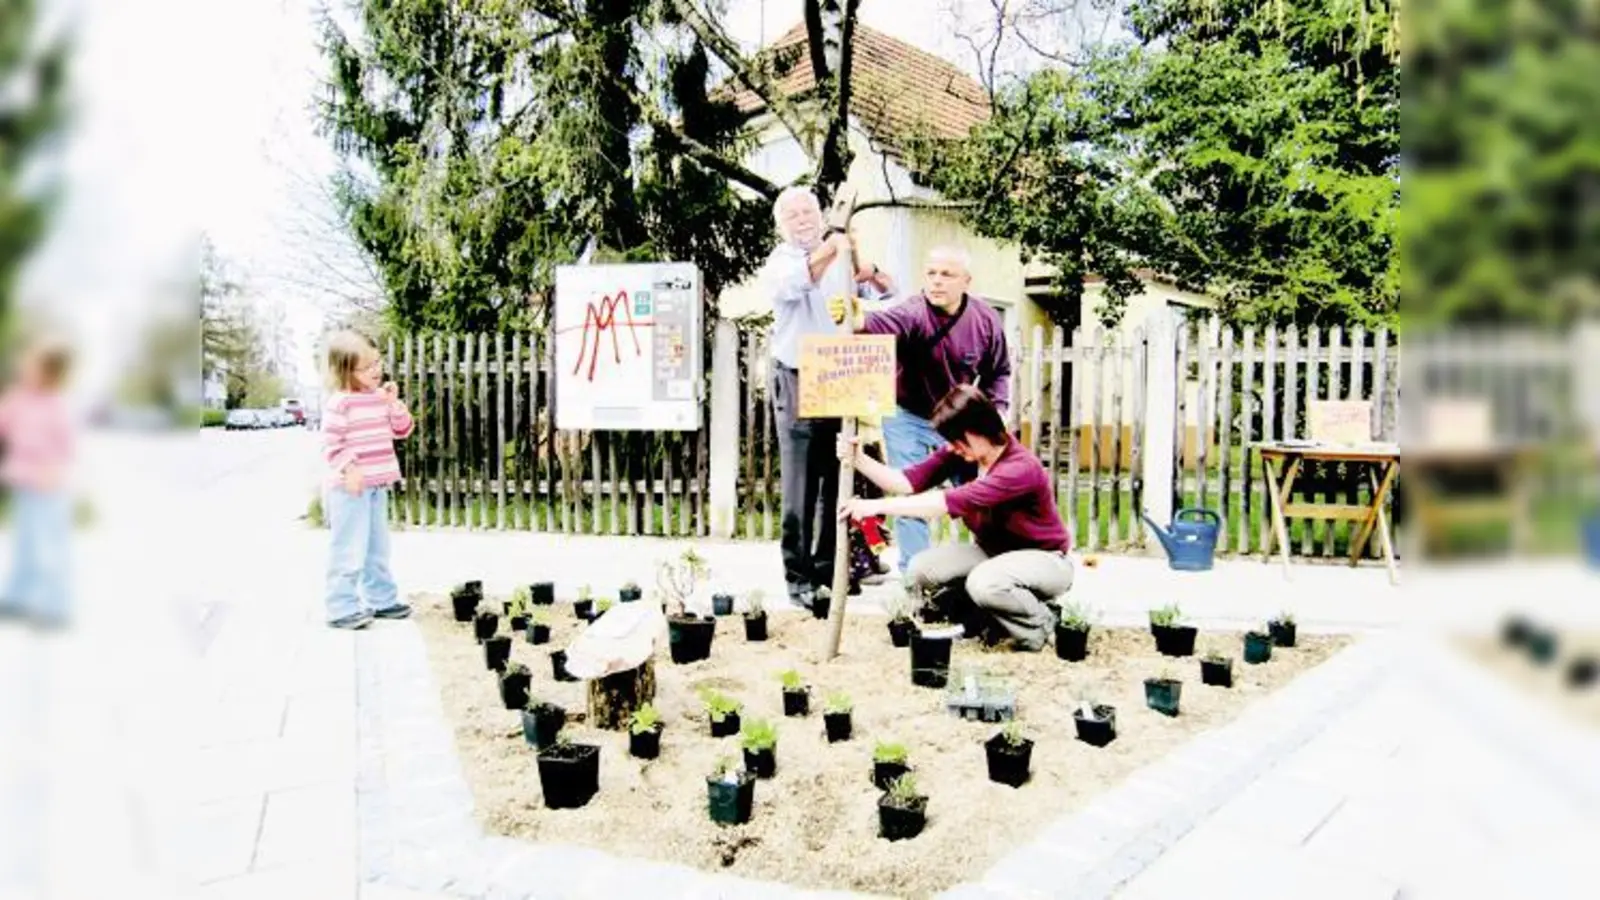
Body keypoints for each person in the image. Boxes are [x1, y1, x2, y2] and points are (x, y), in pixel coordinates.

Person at [837, 384, 1071, 651]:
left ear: (977, 429)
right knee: (920, 569)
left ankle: (1043, 624)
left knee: (984, 583)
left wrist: (875, 506)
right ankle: (987, 620)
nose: (952, 447)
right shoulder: (964, 454)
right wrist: (858, 459)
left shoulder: (1019, 469)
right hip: (993, 553)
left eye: (957, 438)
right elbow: (907, 481)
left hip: (1046, 560)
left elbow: (944, 503)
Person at [830, 245, 1012, 577]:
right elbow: (882, 322)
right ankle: (917, 581)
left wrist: (997, 410)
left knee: (984, 496)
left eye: (947, 274)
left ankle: (998, 569)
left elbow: (999, 371)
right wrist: (856, 318)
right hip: (909, 416)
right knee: (908, 493)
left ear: (966, 281)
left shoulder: (985, 319)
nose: (937, 281)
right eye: (931, 273)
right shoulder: (913, 311)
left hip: (961, 420)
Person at [761, 185, 895, 610]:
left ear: (821, 216)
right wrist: (833, 247)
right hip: (798, 374)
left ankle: (826, 570)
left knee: (835, 478)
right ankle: (797, 578)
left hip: (839, 372)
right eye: (793, 215)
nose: (803, 220)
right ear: (780, 226)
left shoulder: (839, 258)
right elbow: (799, 280)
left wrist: (860, 261)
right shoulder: (780, 263)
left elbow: (885, 295)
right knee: (800, 482)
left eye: (808, 212)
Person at [322, 331, 417, 629]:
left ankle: (381, 600)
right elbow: (331, 444)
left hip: (378, 486)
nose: (376, 370)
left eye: (377, 362)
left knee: (378, 547)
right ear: (345, 371)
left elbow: (403, 430)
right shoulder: (340, 404)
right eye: (366, 367)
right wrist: (349, 468)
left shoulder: (379, 398)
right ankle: (341, 607)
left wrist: (393, 403)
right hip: (350, 489)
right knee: (349, 548)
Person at [0, 336, 76, 630]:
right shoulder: (17, 399)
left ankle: (55, 606)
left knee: (48, 547)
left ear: (49, 373)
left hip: (49, 485)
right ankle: (18, 597)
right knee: (24, 544)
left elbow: (66, 447)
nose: (25, 369)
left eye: (32, 366)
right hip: (23, 481)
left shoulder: (57, 405)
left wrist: (54, 472)